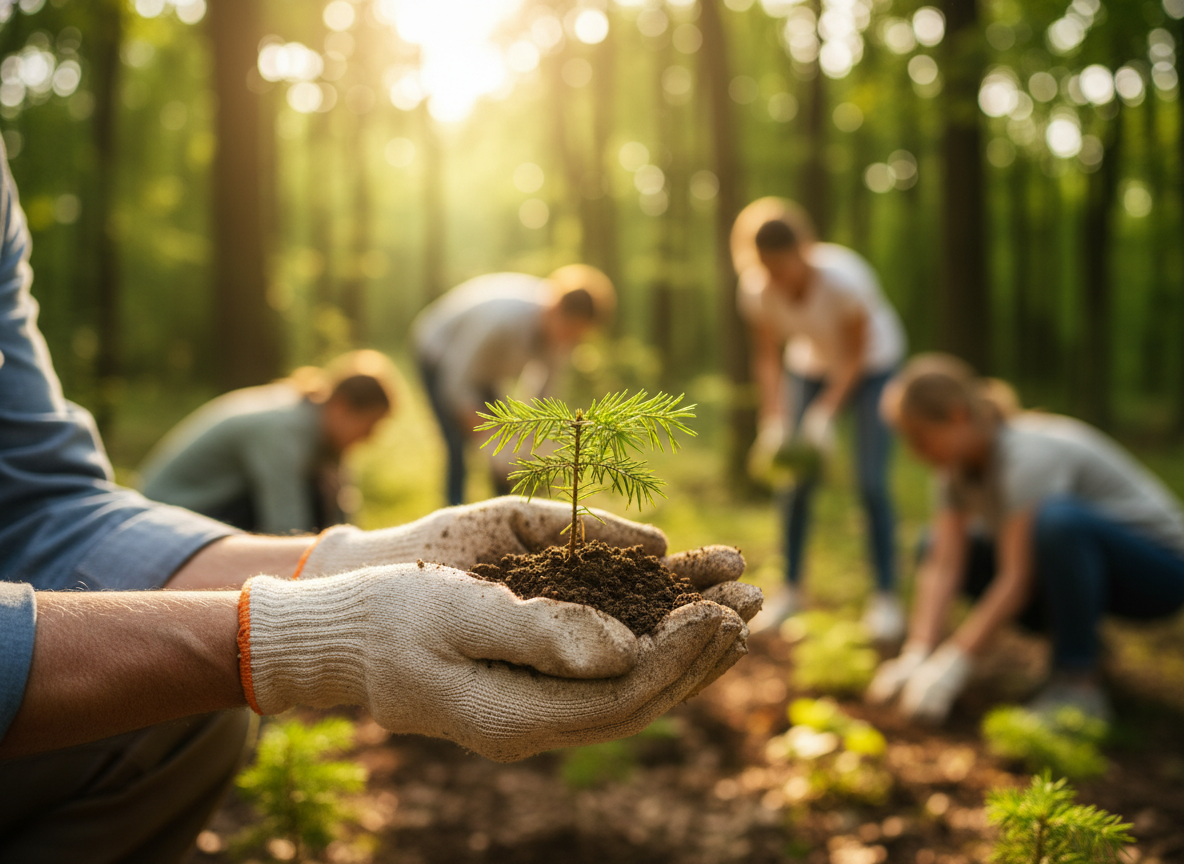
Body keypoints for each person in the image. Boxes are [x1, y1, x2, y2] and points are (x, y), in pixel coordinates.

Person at [0, 143, 761, 862]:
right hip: (445, 360)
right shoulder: (488, 323)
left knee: (196, 726)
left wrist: (347, 559)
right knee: (474, 454)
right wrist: (291, 633)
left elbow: (44, 497)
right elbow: (470, 396)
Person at [866, 354, 1184, 725]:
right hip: (1092, 566)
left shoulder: (1026, 454)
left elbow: (1016, 579)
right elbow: (944, 564)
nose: (914, 452)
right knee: (932, 542)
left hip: (1161, 571)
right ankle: (1082, 646)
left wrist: (955, 662)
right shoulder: (952, 473)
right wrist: (918, 653)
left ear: (956, 416)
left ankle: (1078, 686)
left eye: (919, 438)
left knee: (1056, 522)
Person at [733, 198, 908, 642]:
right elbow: (768, 359)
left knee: (870, 480)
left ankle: (886, 597)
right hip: (809, 367)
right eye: (767, 268)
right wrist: (773, 419)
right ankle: (790, 589)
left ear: (804, 250)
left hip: (873, 366)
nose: (777, 277)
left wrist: (826, 412)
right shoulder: (755, 289)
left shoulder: (845, 279)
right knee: (794, 481)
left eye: (783, 266)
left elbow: (853, 357)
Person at [413, 266, 615, 506]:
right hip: (440, 355)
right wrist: (487, 437)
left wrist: (532, 449)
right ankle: (452, 513)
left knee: (506, 441)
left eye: (578, 335)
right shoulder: (503, 320)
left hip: (485, 371)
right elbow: (457, 384)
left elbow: (544, 398)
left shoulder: (561, 337)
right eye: (570, 331)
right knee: (457, 442)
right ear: (556, 309)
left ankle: (507, 511)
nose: (571, 341)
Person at [138, 351, 397, 534]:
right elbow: (286, 528)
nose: (370, 439)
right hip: (164, 518)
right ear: (341, 406)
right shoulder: (282, 431)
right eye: (370, 426)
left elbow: (341, 520)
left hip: (210, 510)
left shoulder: (320, 432)